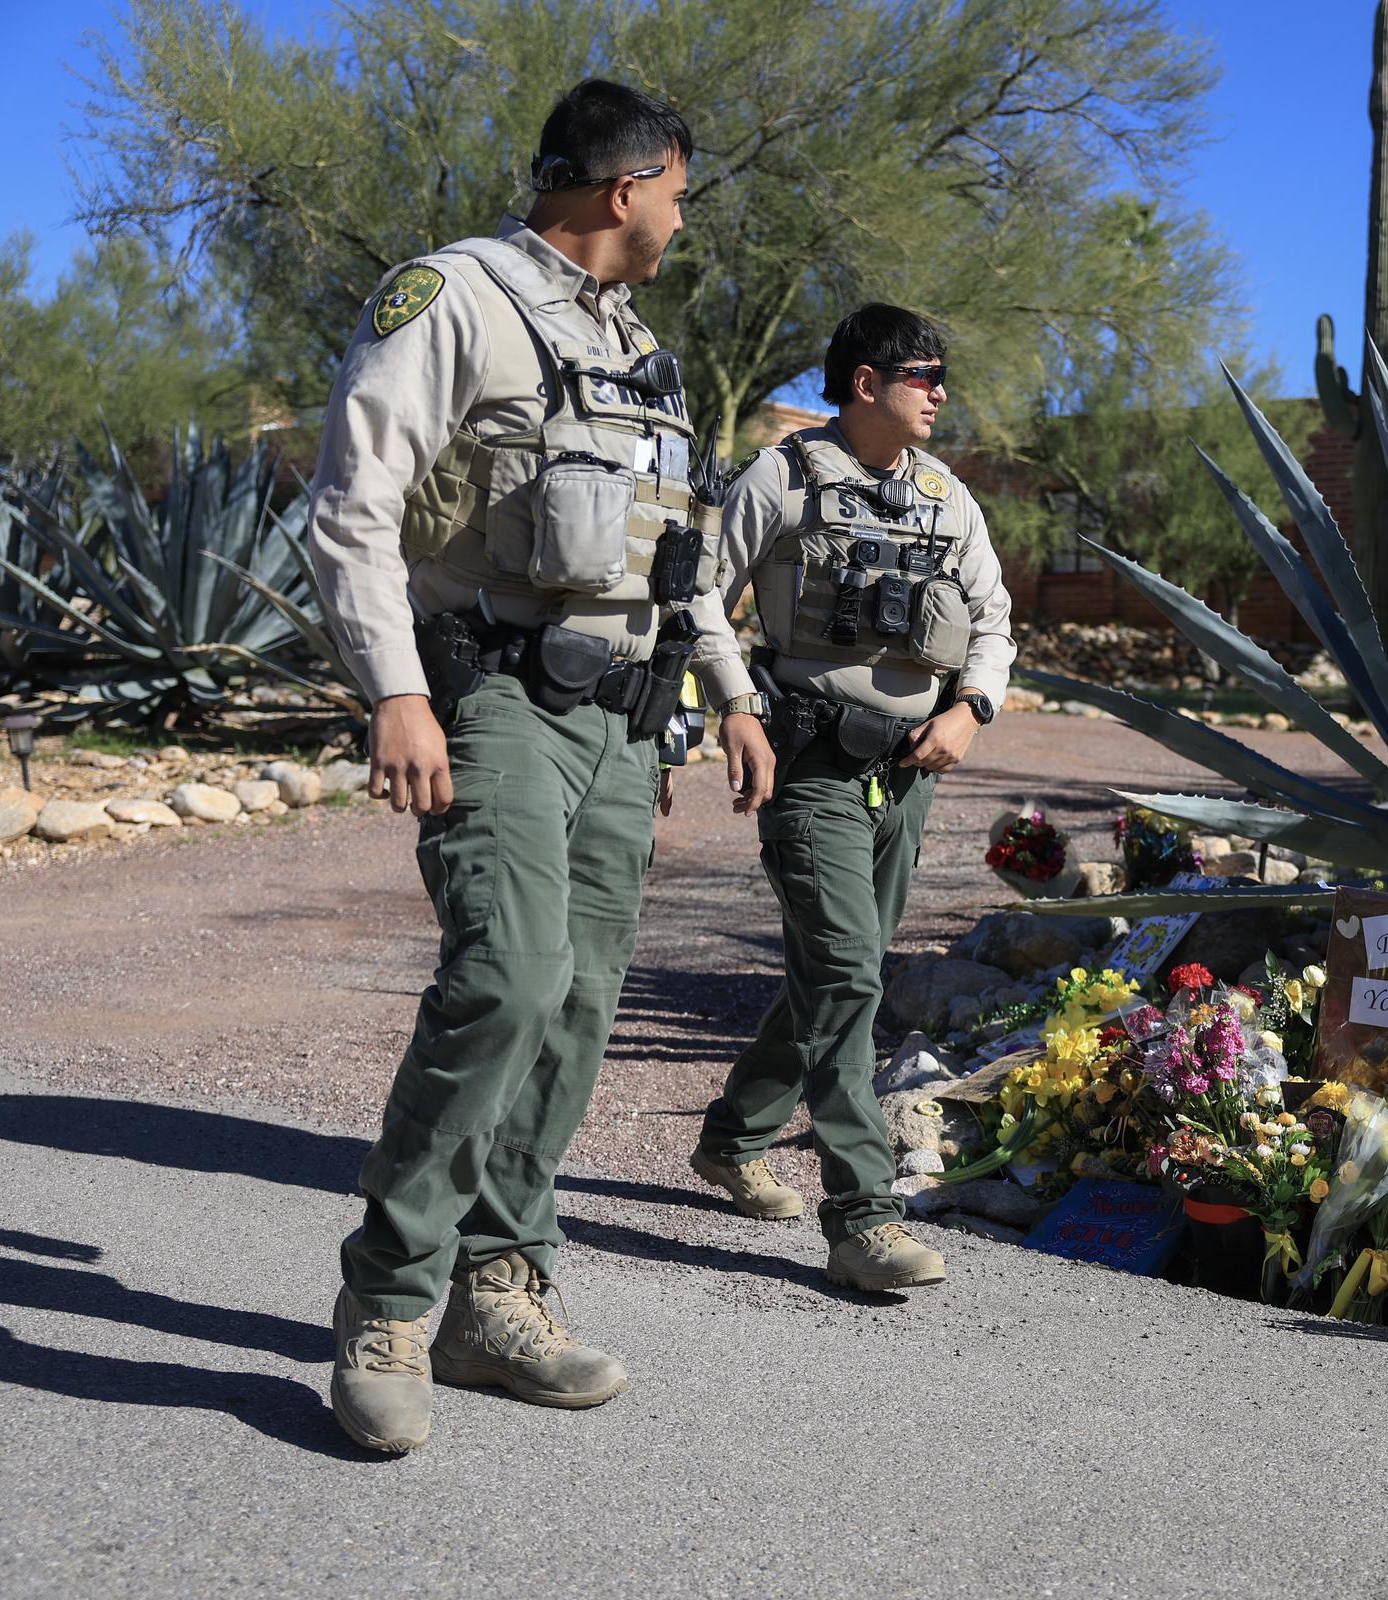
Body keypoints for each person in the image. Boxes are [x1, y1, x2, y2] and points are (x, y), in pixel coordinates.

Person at [306, 78, 712, 1454]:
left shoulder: (635, 347)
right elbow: (350, 512)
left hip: (616, 726)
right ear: (628, 186)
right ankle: (389, 1303)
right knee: (507, 977)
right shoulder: (454, 298)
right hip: (486, 697)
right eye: (677, 192)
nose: (679, 217)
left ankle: (500, 1293)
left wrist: (690, 706)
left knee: (580, 1002)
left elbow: (668, 546)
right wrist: (397, 694)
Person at [686, 303, 1015, 1292]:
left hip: (909, 772)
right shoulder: (782, 477)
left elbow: (995, 621)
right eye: (923, 373)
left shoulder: (948, 498)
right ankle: (863, 1216)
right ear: (866, 384)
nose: (940, 391)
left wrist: (972, 710)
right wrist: (735, 704)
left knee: (846, 968)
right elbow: (701, 589)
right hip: (811, 764)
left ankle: (731, 1135)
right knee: (845, 973)